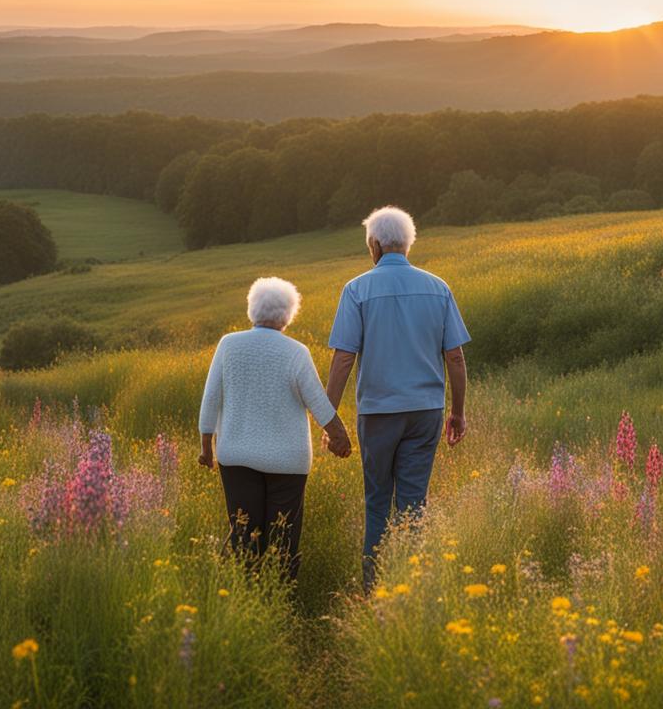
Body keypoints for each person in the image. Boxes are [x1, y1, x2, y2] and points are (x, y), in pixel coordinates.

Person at [324, 206, 470, 591]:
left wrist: (329, 417)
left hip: (378, 413)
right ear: (408, 244)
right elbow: (455, 357)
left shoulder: (356, 290)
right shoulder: (438, 288)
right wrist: (457, 412)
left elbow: (343, 359)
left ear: (374, 245)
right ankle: (411, 589)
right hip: (425, 412)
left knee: (377, 503)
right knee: (413, 505)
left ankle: (374, 591)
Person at [198, 277, 351, 580]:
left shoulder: (229, 345)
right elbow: (318, 402)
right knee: (283, 538)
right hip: (288, 462)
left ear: (252, 309)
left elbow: (210, 398)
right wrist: (339, 437)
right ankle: (280, 601)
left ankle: (246, 595)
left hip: (237, 457)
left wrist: (206, 448)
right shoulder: (296, 351)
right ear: (288, 314)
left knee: (244, 535)